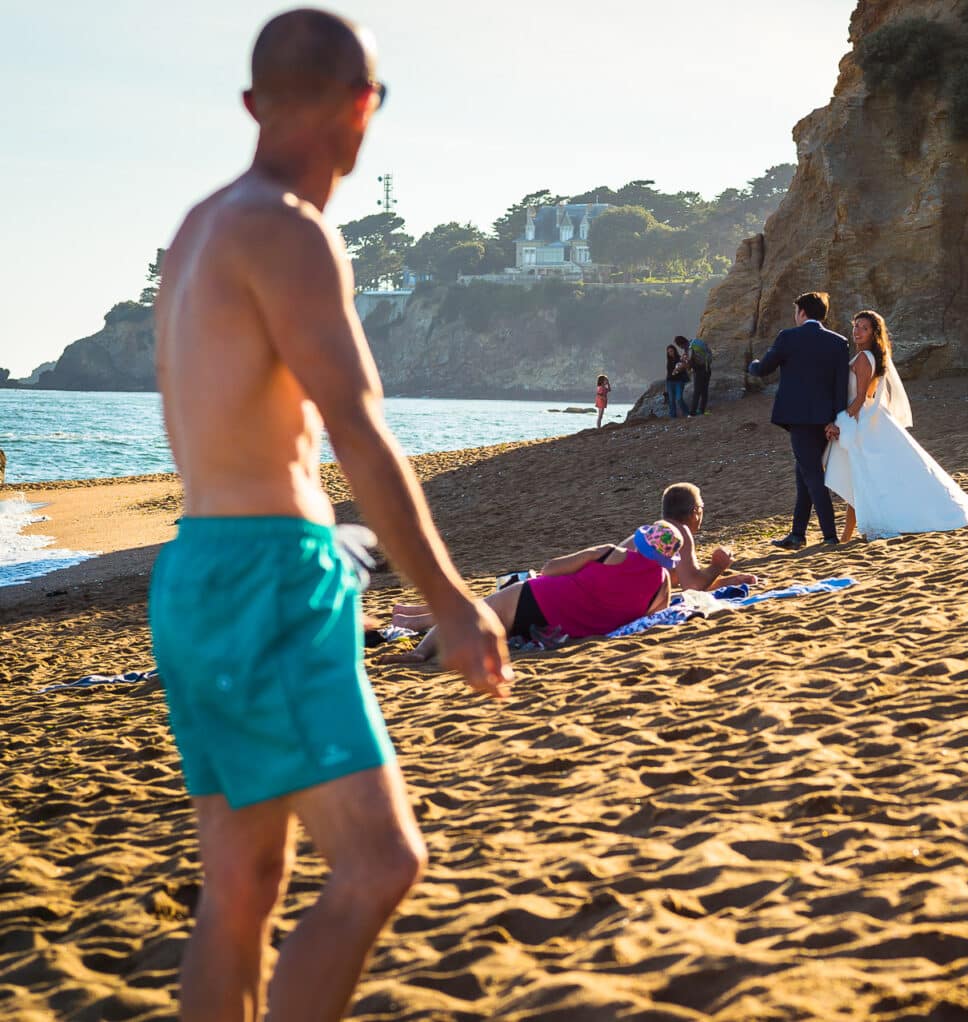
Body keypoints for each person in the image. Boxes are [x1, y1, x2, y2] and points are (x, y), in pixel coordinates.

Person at [148, 10, 512, 1022]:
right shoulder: (289, 231)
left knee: (241, 891)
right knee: (381, 861)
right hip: (268, 570)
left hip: (192, 570)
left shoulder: (197, 230)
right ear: (363, 108)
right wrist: (449, 599)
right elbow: (355, 430)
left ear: (253, 107)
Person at [823, 311, 968, 541]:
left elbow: (859, 398)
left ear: (873, 333)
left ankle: (849, 534)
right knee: (867, 479)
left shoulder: (862, 359)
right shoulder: (871, 357)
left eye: (864, 328)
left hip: (862, 425)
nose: (857, 331)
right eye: (856, 326)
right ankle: (847, 534)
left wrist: (838, 422)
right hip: (871, 420)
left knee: (865, 480)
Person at [385, 521, 684, 659]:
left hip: (538, 599)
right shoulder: (661, 586)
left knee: (472, 613)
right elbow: (651, 621)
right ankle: (414, 622)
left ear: (642, 541)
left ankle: (421, 652)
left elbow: (550, 569)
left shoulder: (609, 552)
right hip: (564, 632)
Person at [747, 292, 850, 548]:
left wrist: (752, 364)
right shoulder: (839, 342)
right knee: (803, 473)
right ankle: (797, 534)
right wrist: (836, 419)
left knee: (812, 474)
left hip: (799, 418)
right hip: (826, 419)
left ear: (802, 312)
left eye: (796, 311)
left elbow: (763, 370)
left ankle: (829, 535)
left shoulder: (788, 337)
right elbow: (841, 387)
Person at [659, 482, 757, 589]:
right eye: (702, 507)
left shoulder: (657, 532)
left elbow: (676, 579)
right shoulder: (680, 533)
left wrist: (729, 582)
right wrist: (717, 566)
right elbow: (693, 586)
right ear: (695, 512)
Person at [688, 336, 713, 416]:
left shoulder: (691, 348)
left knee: (697, 392)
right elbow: (710, 356)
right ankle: (702, 410)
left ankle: (692, 412)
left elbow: (690, 361)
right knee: (704, 392)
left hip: (698, 371)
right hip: (707, 370)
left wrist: (690, 368)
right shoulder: (704, 347)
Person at [665, 339, 689, 418]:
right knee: (671, 401)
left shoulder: (680, 358)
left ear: (674, 350)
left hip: (679, 381)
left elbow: (685, 367)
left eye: (671, 351)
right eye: (668, 352)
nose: (670, 353)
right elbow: (670, 373)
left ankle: (687, 413)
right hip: (670, 382)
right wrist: (674, 372)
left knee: (679, 399)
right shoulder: (668, 361)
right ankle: (673, 416)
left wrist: (679, 368)